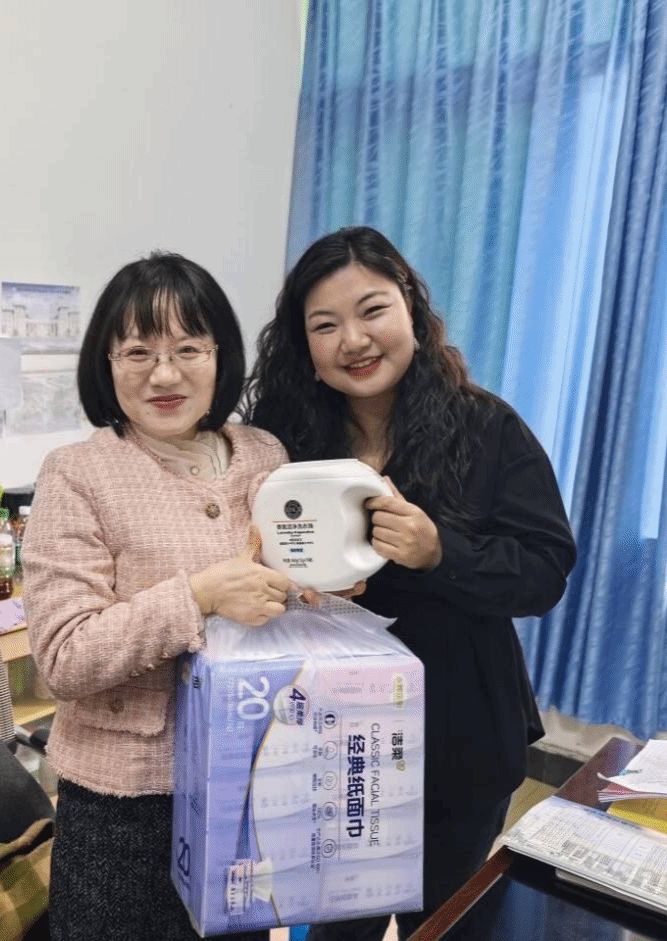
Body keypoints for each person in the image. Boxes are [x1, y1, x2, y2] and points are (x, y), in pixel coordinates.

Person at [244, 226, 577, 941]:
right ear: (304, 345)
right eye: (325, 325)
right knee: (340, 928)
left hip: (460, 734)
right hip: (334, 736)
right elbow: (249, 556)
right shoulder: (281, 441)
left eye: (373, 311)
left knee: (446, 925)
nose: (353, 340)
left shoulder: (485, 427)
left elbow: (546, 570)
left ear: (413, 315)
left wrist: (439, 552)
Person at [24, 251, 291, 941]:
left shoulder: (265, 455)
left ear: (220, 355)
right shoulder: (78, 473)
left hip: (249, 780)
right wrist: (197, 596)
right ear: (106, 363)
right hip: (124, 804)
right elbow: (63, 657)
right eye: (139, 351)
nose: (165, 374)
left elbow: (285, 597)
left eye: (188, 349)